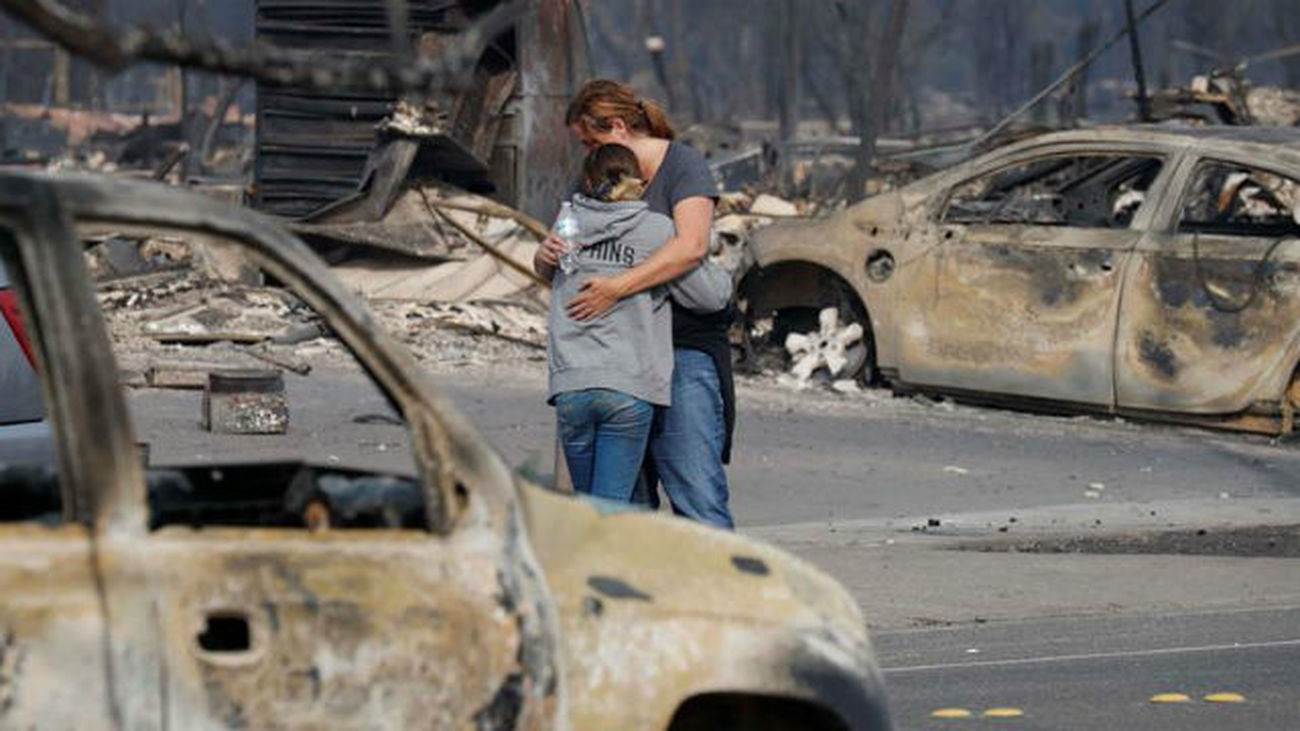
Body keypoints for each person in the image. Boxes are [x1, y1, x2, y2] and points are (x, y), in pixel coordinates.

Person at [558, 79, 736, 529]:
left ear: (618, 128)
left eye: (590, 142)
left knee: (696, 494)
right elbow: (569, 255)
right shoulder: (597, 175)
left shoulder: (683, 166)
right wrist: (548, 255)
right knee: (628, 507)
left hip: (681, 349)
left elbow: (691, 248)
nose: (587, 155)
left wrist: (617, 287)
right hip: (621, 358)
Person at [535, 144, 674, 501]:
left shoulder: (568, 223)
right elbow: (704, 293)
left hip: (572, 384)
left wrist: (542, 255)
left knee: (588, 506)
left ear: (587, 181)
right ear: (639, 182)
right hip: (628, 384)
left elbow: (546, 273)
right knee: (609, 507)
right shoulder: (658, 229)